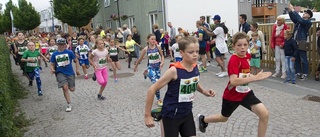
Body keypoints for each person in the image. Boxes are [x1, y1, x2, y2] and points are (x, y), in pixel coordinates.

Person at [198, 32, 271, 137]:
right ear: (234, 46)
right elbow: (233, 81)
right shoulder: (234, 60)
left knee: (264, 114)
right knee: (223, 118)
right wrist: (255, 77)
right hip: (232, 95)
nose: (242, 48)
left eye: (245, 45)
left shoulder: (246, 56)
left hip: (245, 93)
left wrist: (257, 76)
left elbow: (244, 74)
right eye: (239, 45)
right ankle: (203, 119)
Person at [144, 36, 215, 137]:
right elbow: (152, 89)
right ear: (181, 52)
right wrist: (147, 116)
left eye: (197, 51)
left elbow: (193, 81)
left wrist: (204, 91)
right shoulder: (174, 71)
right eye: (191, 52)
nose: (195, 55)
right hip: (171, 115)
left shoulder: (195, 66)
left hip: (186, 113)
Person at [134, 34, 165, 107]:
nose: (154, 40)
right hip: (151, 68)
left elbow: (162, 56)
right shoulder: (146, 49)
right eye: (152, 39)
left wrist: (162, 62)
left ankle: (146, 73)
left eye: (154, 39)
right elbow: (140, 58)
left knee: (158, 82)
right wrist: (136, 66)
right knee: (156, 83)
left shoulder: (158, 47)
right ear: (148, 40)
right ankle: (159, 99)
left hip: (157, 68)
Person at [50, 38, 80, 112]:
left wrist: (77, 70)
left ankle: (70, 88)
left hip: (70, 72)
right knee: (65, 87)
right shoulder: (54, 54)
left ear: (65, 45)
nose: (61, 46)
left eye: (62, 44)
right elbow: (52, 63)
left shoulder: (69, 52)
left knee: (72, 89)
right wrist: (52, 69)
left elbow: (76, 60)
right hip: (60, 72)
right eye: (59, 45)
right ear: (57, 45)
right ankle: (69, 104)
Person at [288, 3, 313, 81]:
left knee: (303, 58)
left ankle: (305, 73)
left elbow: (299, 19)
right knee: (297, 57)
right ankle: (298, 72)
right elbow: (294, 19)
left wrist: (293, 10)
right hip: (296, 41)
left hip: (302, 41)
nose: (304, 13)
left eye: (306, 13)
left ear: (309, 16)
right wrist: (290, 12)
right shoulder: (299, 22)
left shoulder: (307, 22)